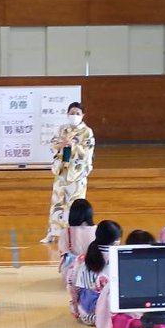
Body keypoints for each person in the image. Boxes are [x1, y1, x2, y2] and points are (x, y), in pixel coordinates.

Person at [43, 101, 96, 244]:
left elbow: (87, 153)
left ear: (83, 115)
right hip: (62, 171)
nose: (74, 116)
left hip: (77, 173)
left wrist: (74, 146)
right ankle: (53, 233)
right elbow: (52, 144)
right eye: (72, 113)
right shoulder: (62, 129)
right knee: (57, 202)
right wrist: (61, 144)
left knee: (74, 205)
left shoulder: (87, 132)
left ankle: (74, 237)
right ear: (67, 114)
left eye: (77, 113)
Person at [72, 220, 122, 326]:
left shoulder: (82, 258)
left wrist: (76, 308)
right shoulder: (120, 258)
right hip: (110, 315)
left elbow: (74, 288)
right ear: (116, 240)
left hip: (86, 314)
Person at [58, 198, 97, 289]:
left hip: (71, 276)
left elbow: (63, 253)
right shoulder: (97, 230)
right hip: (94, 274)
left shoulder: (65, 231)